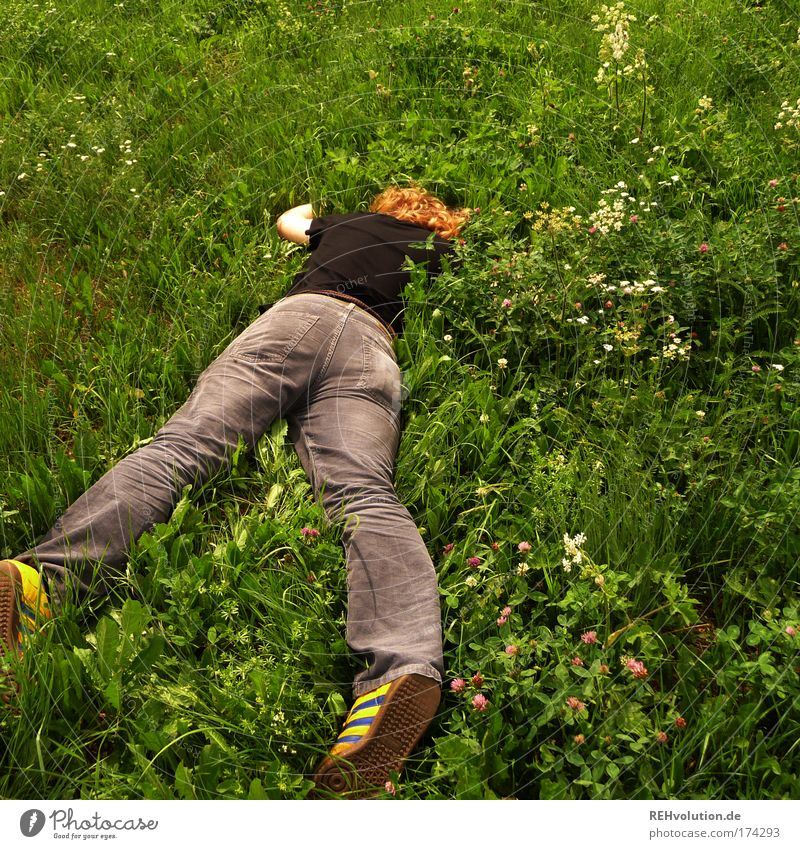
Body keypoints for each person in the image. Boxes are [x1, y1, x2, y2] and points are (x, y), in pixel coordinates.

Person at [0, 184, 470, 797]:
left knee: (184, 448)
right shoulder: (438, 251)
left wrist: (316, 211)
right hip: (372, 347)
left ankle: (41, 585)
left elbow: (288, 222)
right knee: (366, 495)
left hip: (298, 318)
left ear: (386, 205)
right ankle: (400, 671)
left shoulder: (348, 223)